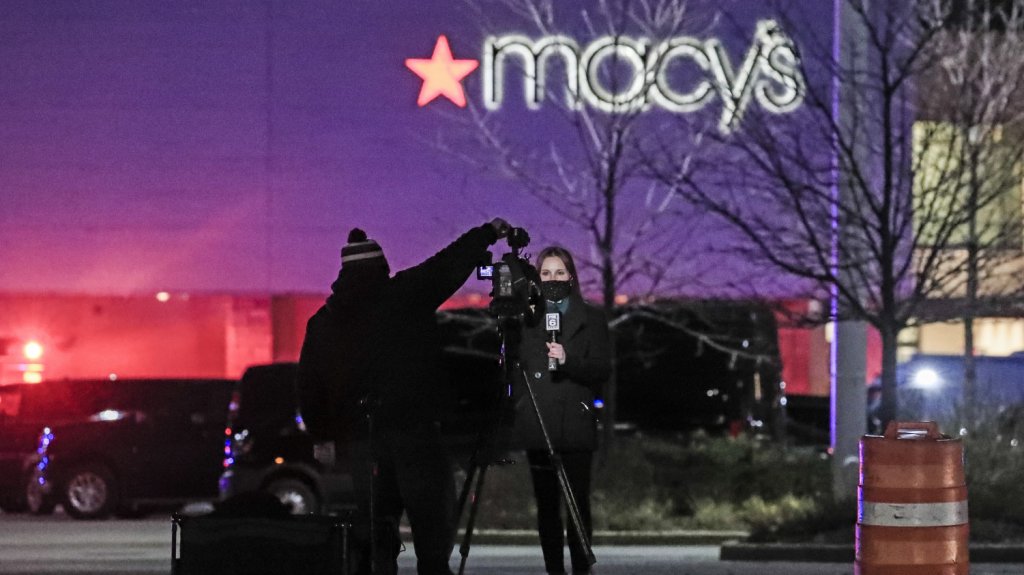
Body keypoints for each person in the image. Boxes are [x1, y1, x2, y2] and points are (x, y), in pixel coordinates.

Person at [297, 219, 510, 575]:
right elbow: (448, 263)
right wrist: (486, 233)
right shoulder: (406, 294)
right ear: (381, 267)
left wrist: (322, 435)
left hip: (363, 438)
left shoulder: (323, 322)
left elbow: (308, 384)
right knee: (431, 521)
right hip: (416, 432)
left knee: (376, 529)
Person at [512, 246, 611, 575]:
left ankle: (582, 569)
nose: (552, 279)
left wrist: (570, 361)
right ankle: (554, 570)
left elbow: (601, 369)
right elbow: (517, 369)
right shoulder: (527, 320)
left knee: (578, 505)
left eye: (559, 272)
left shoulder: (592, 318)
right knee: (547, 507)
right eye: (545, 273)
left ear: (571, 276)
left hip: (576, 424)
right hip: (539, 423)